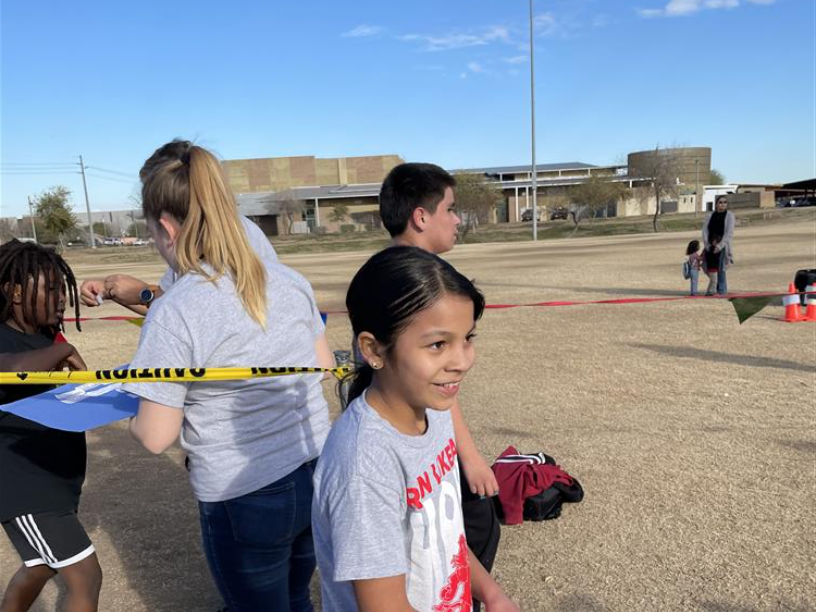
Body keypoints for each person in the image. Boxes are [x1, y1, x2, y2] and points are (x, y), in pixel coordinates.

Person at [124, 140, 333, 612]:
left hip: (244, 496)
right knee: (297, 597)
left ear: (164, 227)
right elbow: (320, 367)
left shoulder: (175, 311)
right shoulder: (289, 280)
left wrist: (131, 413)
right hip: (314, 468)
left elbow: (156, 437)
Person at [312, 246, 520, 612]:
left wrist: (490, 592)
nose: (461, 361)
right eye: (438, 344)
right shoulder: (363, 467)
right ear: (373, 349)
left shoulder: (433, 409)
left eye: (468, 338)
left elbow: (447, 536)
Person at [379, 163, 502, 590]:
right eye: (450, 208)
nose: (457, 220)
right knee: (462, 535)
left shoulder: (395, 271)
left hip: (424, 443)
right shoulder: (412, 285)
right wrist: (469, 457)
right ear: (420, 216)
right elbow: (438, 385)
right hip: (418, 449)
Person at [0, 240, 103, 612]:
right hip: (23, 486)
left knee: (39, 567)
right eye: (52, 289)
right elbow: (10, 368)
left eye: (63, 288)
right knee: (86, 577)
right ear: (14, 292)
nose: (62, 298)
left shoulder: (42, 337)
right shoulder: (7, 339)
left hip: (54, 481)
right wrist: (63, 351)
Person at [79, 215, 277, 316]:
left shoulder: (227, 233)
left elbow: (191, 312)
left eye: (152, 233)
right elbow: (167, 301)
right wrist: (113, 291)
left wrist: (143, 294)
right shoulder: (191, 241)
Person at [702, 195, 735, 295]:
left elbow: (729, 233)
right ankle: (713, 287)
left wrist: (720, 246)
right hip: (710, 244)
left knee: (721, 268)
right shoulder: (710, 215)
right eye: (720, 202)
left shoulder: (729, 215)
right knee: (707, 267)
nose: (723, 204)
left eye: (725, 202)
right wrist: (707, 244)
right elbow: (705, 230)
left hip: (722, 245)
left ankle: (721, 290)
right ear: (716, 204)